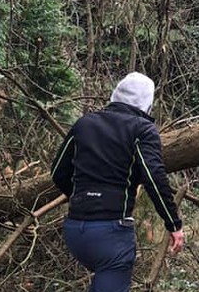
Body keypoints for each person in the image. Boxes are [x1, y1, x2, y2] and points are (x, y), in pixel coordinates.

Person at [51, 72, 184, 292]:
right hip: (111, 234)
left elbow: (58, 172)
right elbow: (153, 176)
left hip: (75, 231)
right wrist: (173, 224)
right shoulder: (142, 129)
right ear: (147, 102)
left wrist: (80, 197)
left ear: (116, 94)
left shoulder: (84, 124)